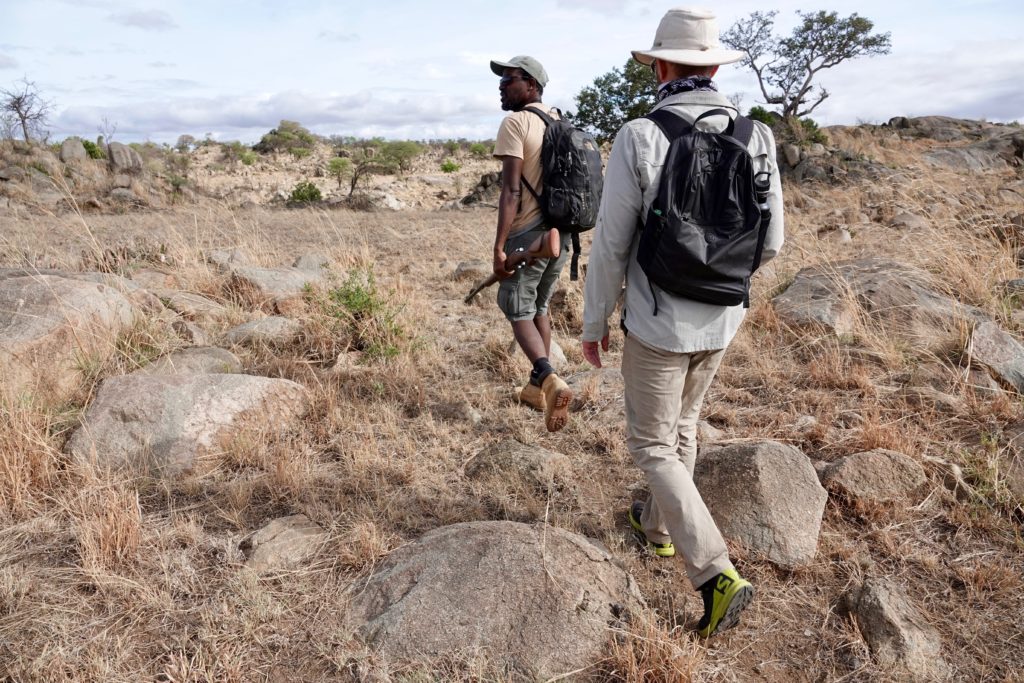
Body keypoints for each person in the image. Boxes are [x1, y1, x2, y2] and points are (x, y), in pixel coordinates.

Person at [581, 7, 785, 637]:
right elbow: (772, 241)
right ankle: (656, 530)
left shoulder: (641, 135)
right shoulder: (758, 135)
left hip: (658, 318)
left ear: (662, 65)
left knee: (651, 444)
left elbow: (612, 245)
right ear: (715, 65)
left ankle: (716, 573)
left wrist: (594, 322)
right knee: (686, 426)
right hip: (723, 316)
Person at [489, 55, 573, 433]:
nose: (502, 85)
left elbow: (510, 191)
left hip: (529, 234)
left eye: (510, 79)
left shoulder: (516, 122)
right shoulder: (558, 121)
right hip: (561, 237)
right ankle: (535, 390)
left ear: (532, 85)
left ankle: (550, 377)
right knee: (539, 305)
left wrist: (499, 248)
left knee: (517, 309)